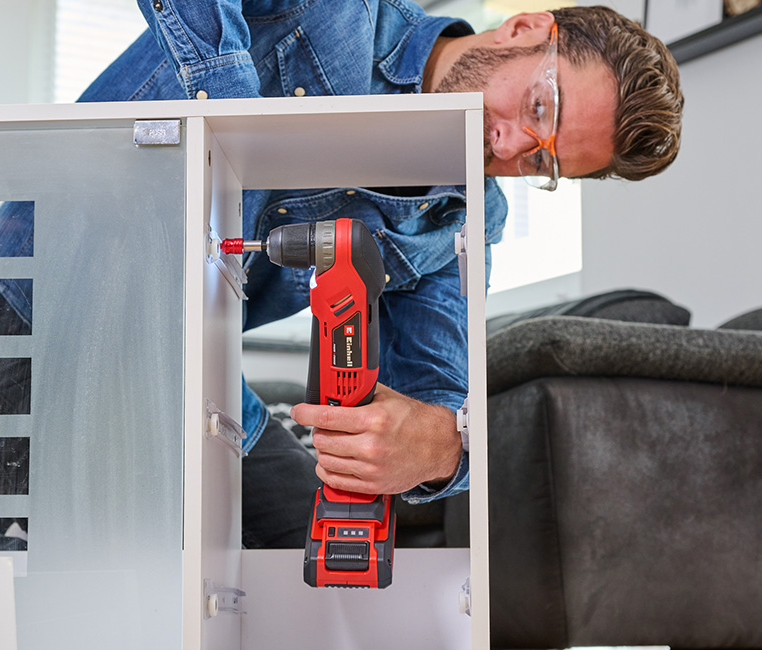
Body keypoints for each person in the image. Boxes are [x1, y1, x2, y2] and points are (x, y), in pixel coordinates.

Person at [67, 1, 682, 548]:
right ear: (522, 28)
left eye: (542, 159)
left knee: (313, 571)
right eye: (539, 107)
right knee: (108, 552)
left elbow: (443, 399)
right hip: (47, 304)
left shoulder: (464, 217)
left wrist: (436, 447)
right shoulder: (341, 13)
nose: (509, 143)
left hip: (189, 377)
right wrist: (236, 119)